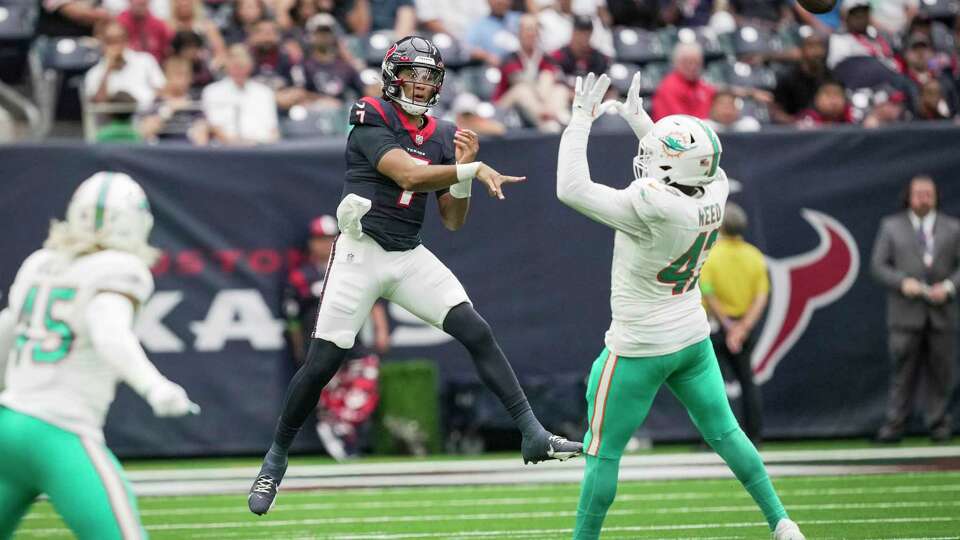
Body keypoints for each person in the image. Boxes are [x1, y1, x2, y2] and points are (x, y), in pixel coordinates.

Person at [247, 35, 581, 516]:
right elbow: (405, 174)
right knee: (322, 364)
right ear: (392, 78)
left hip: (406, 254)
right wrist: (472, 170)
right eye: (413, 76)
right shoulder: (370, 114)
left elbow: (451, 219)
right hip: (361, 254)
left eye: (429, 79)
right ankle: (274, 460)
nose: (421, 86)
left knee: (476, 330)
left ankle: (532, 432)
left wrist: (462, 167)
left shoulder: (444, 133)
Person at [555, 71, 805, 540]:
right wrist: (641, 122)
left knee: (602, 452)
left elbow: (571, 189)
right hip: (691, 335)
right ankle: (781, 521)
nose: (646, 157)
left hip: (640, 345)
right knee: (728, 433)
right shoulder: (717, 187)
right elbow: (683, 164)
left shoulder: (653, 204)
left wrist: (580, 120)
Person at [0, 172, 199, 538]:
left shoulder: (40, 262)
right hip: (58, 430)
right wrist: (154, 387)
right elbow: (108, 331)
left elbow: (7, 330)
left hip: (7, 426)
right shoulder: (121, 268)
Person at [282, 215, 390, 460]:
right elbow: (292, 319)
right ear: (311, 243)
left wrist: (381, 331)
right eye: (319, 239)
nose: (324, 244)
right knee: (327, 399)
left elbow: (374, 301)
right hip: (320, 347)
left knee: (364, 388)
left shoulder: (351, 268)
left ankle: (341, 430)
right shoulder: (301, 276)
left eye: (329, 238)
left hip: (354, 344)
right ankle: (342, 441)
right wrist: (300, 349)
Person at [870, 175, 959, 443]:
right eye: (918, 193)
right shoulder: (891, 226)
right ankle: (895, 424)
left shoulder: (953, 228)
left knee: (942, 372)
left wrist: (950, 287)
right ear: (909, 196)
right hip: (905, 313)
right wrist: (902, 282)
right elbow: (878, 266)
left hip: (942, 312)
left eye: (928, 193)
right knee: (902, 372)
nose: (923, 197)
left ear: (936, 195)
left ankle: (939, 423)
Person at [699, 203, 769, 444]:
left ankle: (715, 438)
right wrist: (743, 328)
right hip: (743, 328)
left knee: (712, 384)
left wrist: (729, 327)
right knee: (747, 381)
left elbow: (708, 292)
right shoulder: (754, 256)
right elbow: (761, 296)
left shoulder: (711, 254)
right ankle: (754, 435)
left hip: (717, 327)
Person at [494, 14, 570, 131]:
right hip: (507, 107)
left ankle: (554, 118)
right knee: (522, 89)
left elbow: (549, 81)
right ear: (519, 33)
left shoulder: (546, 58)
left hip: (541, 103)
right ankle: (550, 118)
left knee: (559, 89)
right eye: (527, 29)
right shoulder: (510, 58)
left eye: (534, 29)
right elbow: (519, 81)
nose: (531, 34)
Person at [201, 44, 280, 145]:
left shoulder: (265, 93)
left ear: (250, 66)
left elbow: (273, 130)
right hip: (226, 150)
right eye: (235, 65)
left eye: (242, 65)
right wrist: (237, 144)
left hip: (262, 148)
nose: (239, 70)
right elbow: (214, 127)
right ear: (227, 66)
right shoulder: (212, 91)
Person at [84, 20, 166, 110]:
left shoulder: (145, 60)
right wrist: (108, 70)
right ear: (103, 44)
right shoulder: (94, 73)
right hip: (113, 120)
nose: (116, 46)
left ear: (127, 41)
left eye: (120, 40)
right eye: (110, 41)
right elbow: (98, 105)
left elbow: (162, 91)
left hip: (145, 115)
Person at [652, 41, 716, 121]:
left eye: (696, 63)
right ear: (676, 63)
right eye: (687, 62)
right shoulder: (669, 87)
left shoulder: (702, 85)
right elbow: (679, 121)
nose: (692, 67)